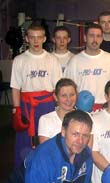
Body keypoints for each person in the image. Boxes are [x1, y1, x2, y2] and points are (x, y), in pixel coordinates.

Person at [10, 23, 62, 169]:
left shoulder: (52, 60)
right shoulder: (19, 60)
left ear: (44, 39)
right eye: (32, 37)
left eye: (39, 37)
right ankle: (23, 174)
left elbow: (57, 88)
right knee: (25, 142)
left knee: (48, 138)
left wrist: (58, 109)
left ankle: (49, 171)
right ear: (27, 38)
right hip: (26, 105)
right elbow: (15, 87)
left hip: (47, 104)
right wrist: (16, 109)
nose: (36, 41)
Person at [65, 23, 110, 111]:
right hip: (82, 110)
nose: (95, 40)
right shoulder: (75, 61)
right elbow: (68, 89)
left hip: (105, 109)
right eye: (91, 36)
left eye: (98, 36)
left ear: (102, 39)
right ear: (85, 38)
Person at [38, 78, 78, 144]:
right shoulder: (45, 120)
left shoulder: (85, 117)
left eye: (72, 95)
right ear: (56, 97)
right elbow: (45, 151)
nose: (68, 99)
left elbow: (88, 151)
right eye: (64, 95)